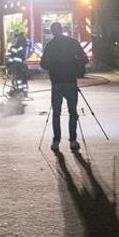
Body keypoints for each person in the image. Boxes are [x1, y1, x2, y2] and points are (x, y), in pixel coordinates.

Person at [40, 21, 88, 153]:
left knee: (56, 113)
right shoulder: (72, 42)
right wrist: (75, 64)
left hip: (57, 83)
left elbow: (43, 64)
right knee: (73, 112)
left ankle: (56, 141)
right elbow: (85, 58)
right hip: (71, 82)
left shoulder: (50, 45)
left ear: (52, 31)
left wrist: (53, 65)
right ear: (62, 29)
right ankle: (73, 140)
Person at [6, 29, 31, 97]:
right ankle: (24, 92)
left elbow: (11, 57)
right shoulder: (26, 44)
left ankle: (18, 91)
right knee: (24, 79)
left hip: (16, 65)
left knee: (16, 78)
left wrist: (8, 64)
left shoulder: (15, 46)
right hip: (23, 64)